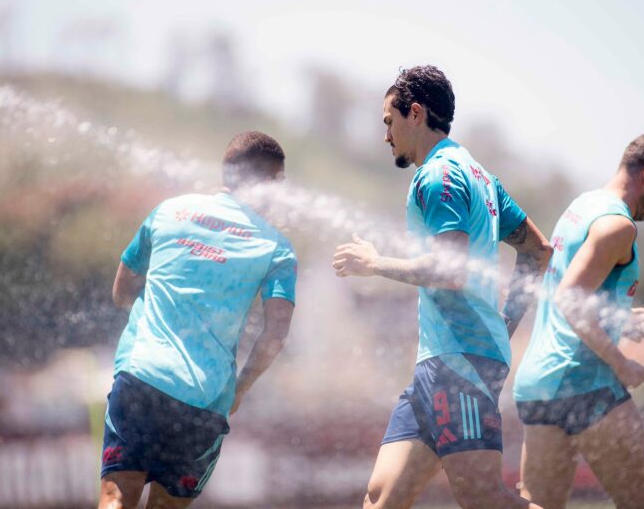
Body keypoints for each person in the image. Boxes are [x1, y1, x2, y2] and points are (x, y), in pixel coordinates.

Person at [332, 65, 551, 509]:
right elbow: (538, 251)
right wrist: (504, 324)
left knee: (484, 499)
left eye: (389, 122)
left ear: (415, 113)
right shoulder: (480, 176)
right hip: (442, 363)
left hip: (460, 363)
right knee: (381, 499)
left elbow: (449, 269)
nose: (385, 136)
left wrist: (374, 264)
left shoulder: (438, 175)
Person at [98, 131, 298, 509]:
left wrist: (155, 318)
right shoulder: (277, 247)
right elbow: (275, 335)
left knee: (116, 497)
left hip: (142, 375)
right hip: (205, 399)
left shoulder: (168, 211)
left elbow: (122, 290)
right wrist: (241, 388)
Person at [513, 130, 644, 509]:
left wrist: (619, 320)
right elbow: (570, 299)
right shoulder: (619, 226)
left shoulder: (582, 206)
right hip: (585, 384)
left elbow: (573, 287)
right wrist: (621, 362)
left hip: (539, 385)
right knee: (641, 503)